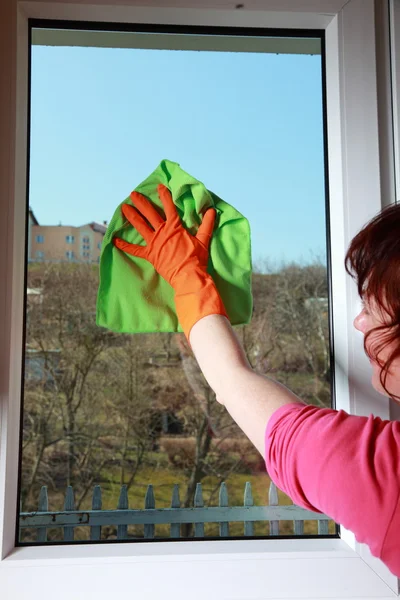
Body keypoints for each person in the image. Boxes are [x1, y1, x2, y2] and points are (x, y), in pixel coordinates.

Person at [114, 184, 400, 577]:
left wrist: (187, 278)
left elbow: (233, 381)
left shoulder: (387, 475)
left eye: (372, 307)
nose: (359, 322)